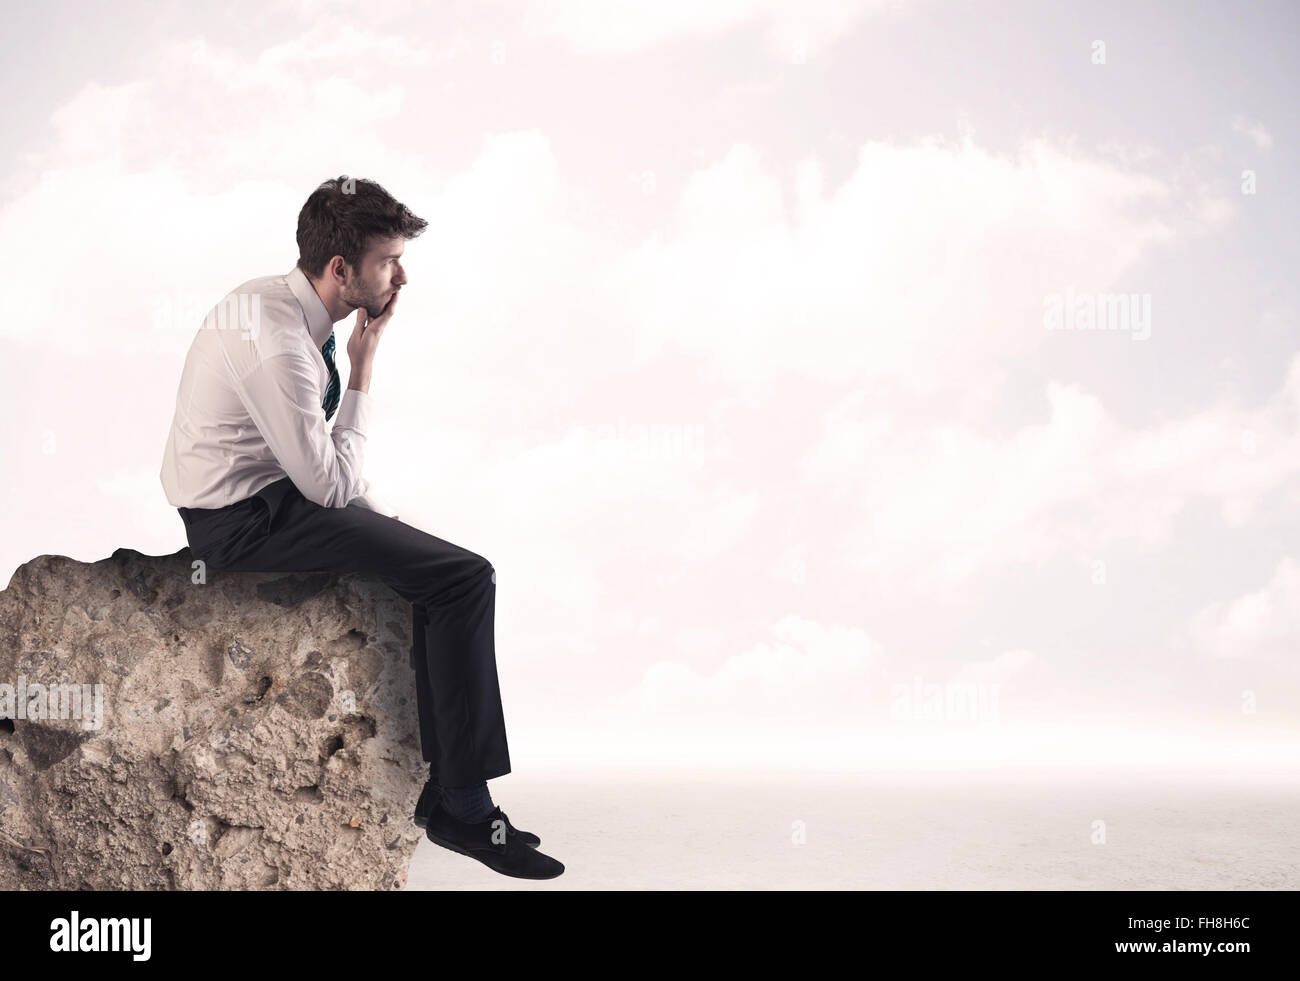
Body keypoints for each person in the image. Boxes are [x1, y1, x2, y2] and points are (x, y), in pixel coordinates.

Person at [158, 175, 562, 880]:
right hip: (243, 525)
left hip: (269, 495)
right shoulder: (281, 344)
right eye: (388, 262)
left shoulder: (280, 305)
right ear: (341, 270)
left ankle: (456, 793)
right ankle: (460, 807)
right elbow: (330, 484)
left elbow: (324, 473)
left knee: (433, 566)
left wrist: (385, 525)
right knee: (465, 578)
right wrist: (368, 361)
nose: (402, 275)